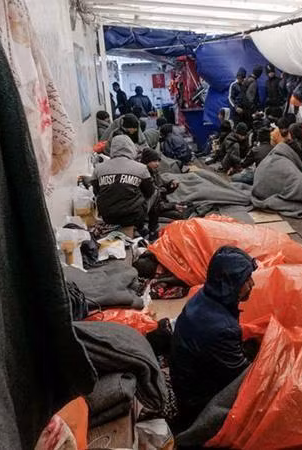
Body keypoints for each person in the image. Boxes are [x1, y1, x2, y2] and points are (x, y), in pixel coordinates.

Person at [170, 246, 258, 428]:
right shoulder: (221, 328)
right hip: (198, 402)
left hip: (187, 382)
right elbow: (240, 377)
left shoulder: (205, 296)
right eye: (246, 280)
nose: (252, 284)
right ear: (230, 284)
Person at [91, 135, 155, 232]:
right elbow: (149, 192)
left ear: (112, 149)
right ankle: (151, 229)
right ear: (131, 148)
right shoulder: (141, 168)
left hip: (107, 216)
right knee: (156, 193)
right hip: (133, 217)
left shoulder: (98, 168)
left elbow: (97, 192)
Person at [140, 149, 188, 240]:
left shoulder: (154, 172)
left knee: (187, 205)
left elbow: (162, 189)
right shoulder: (145, 178)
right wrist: (173, 206)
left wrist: (171, 185)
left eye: (158, 161)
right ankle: (153, 231)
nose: (157, 164)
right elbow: (154, 201)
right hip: (153, 208)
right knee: (178, 214)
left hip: (160, 204)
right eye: (154, 161)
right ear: (146, 161)